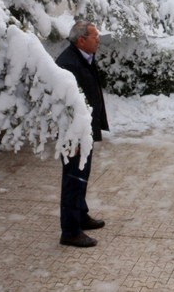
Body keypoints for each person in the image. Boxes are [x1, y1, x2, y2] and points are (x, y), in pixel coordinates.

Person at [55, 20, 109, 248]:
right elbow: (63, 105)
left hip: (83, 130)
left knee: (81, 176)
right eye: (94, 36)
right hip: (73, 134)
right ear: (81, 40)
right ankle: (70, 231)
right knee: (73, 180)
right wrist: (72, 138)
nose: (98, 39)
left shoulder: (83, 58)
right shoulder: (68, 63)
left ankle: (81, 215)